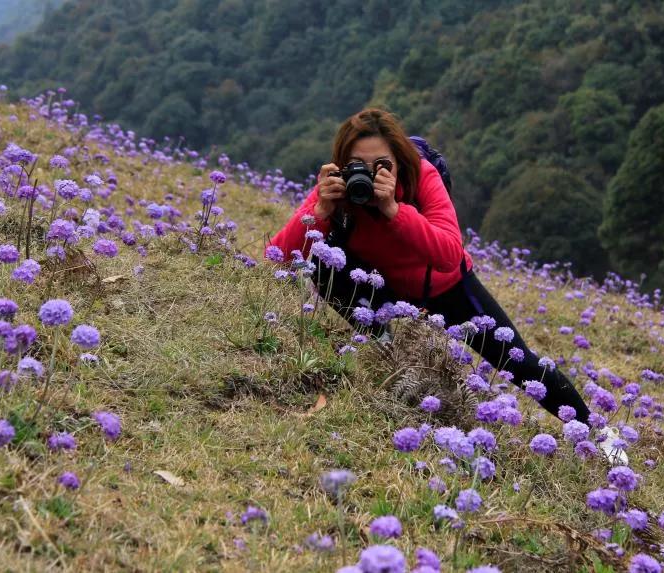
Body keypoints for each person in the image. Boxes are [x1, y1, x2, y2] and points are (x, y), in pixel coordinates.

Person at [266, 108, 626, 464]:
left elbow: (449, 253)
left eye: (381, 164)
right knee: (321, 262)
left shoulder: (422, 177)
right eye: (357, 163)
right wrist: (322, 208)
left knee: (519, 362)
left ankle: (597, 433)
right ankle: (386, 351)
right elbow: (280, 257)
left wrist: (394, 209)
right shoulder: (337, 191)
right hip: (382, 290)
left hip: (447, 288)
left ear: (398, 159)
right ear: (342, 164)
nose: (370, 173)